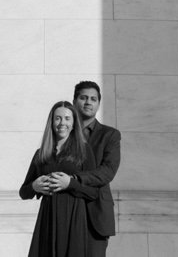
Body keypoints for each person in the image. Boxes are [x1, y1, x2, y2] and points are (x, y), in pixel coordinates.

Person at [19, 100, 105, 256]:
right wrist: (34, 187)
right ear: (51, 122)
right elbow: (23, 192)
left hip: (73, 218)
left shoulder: (83, 151)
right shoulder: (41, 154)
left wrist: (70, 183)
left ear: (73, 123)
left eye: (67, 118)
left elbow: (94, 193)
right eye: (57, 118)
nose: (62, 123)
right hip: (48, 218)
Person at [71, 80, 120, 241]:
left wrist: (76, 179)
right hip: (67, 208)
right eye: (83, 98)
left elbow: (108, 171)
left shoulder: (110, 135)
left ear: (98, 104)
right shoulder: (64, 133)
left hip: (97, 213)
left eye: (93, 99)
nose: (88, 102)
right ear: (74, 101)